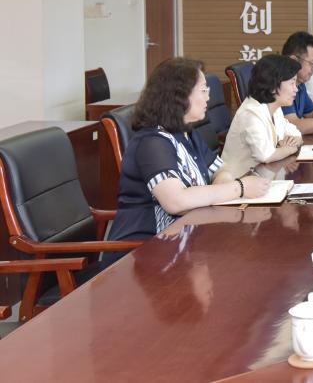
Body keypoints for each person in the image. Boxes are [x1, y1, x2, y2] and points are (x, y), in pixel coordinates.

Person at [105, 58, 271, 257]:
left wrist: (224, 184)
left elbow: (221, 168)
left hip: (184, 241)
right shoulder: (152, 143)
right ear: (179, 96)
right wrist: (239, 188)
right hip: (143, 253)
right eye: (203, 90)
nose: (208, 97)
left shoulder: (186, 133)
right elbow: (176, 201)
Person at [215, 54, 304, 182]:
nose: (296, 89)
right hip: (236, 184)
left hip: (261, 178)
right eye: (292, 83)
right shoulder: (251, 113)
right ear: (273, 86)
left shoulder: (274, 107)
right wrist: (291, 148)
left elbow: (295, 133)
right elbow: (266, 156)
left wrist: (286, 147)